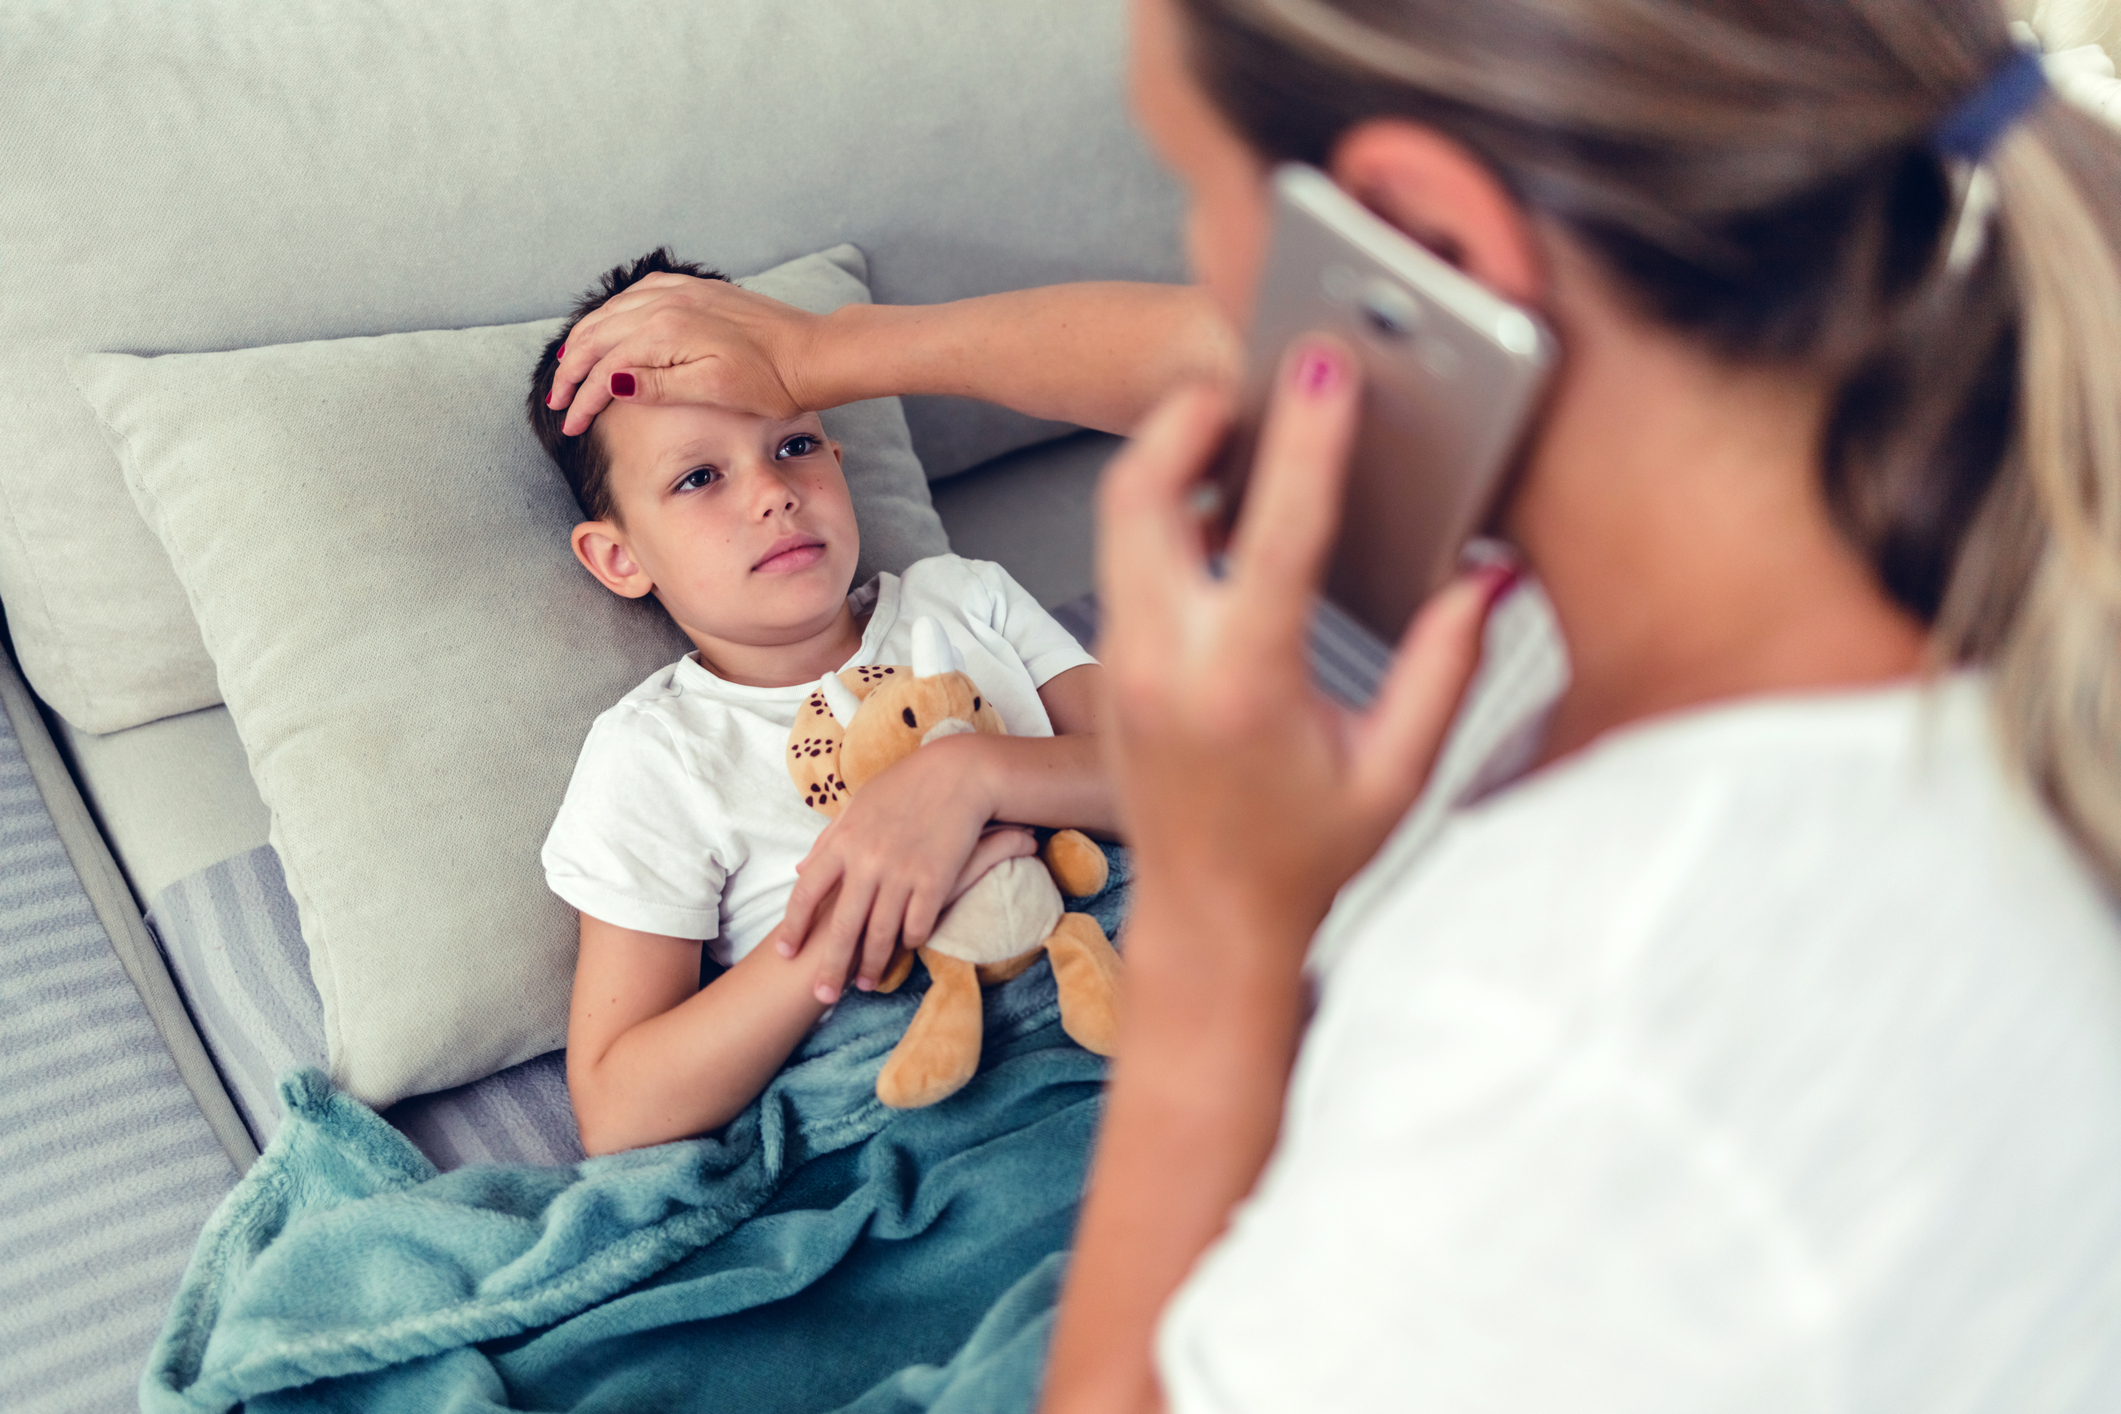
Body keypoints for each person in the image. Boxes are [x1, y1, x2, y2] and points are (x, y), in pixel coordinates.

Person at [544, 0, 2121, 1406]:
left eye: (1203, 203)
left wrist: (1226, 926)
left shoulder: (1565, 1005)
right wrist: (827, 355)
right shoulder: (1901, 550)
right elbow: (1204, 353)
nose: (1219, 291)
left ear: (1422, 251)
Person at [527, 251, 1115, 1157]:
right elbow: (620, 1110)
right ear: (618, 558)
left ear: (837, 461)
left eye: (793, 446)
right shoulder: (658, 756)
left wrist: (979, 776)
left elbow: (1190, 788)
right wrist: (851, 912)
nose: (772, 492)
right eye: (697, 478)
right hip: (922, 1104)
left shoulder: (966, 599)